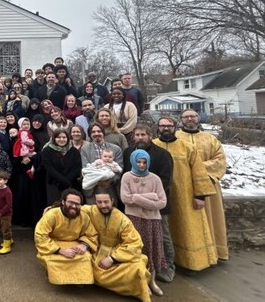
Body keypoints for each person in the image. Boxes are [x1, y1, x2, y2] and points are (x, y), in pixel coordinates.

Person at [154, 116, 217, 273]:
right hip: (160, 194)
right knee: (165, 230)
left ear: (175, 127)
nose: (166, 128)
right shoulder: (153, 145)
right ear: (158, 128)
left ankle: (190, 262)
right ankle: (166, 260)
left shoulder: (187, 147)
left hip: (184, 194)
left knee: (186, 226)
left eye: (169, 125)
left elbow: (198, 172)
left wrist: (200, 195)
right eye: (162, 126)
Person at [176, 109, 229, 261]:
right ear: (181, 120)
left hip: (208, 186)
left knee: (212, 219)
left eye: (192, 116)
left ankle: (214, 253)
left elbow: (219, 161)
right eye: (186, 117)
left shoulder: (210, 139)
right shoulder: (176, 138)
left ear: (198, 118)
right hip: (183, 186)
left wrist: (195, 168)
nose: (189, 119)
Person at [84, 188, 153, 302]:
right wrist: (52, 209)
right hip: (96, 251)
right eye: (99, 202)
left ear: (112, 201)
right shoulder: (91, 211)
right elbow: (74, 207)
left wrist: (112, 258)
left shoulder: (122, 220)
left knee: (138, 268)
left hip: (118, 252)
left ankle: (140, 288)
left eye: (106, 202)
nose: (103, 205)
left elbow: (135, 242)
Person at [120, 150, 166, 297]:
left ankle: (152, 281)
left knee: (152, 249)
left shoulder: (155, 179)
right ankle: (141, 281)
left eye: (144, 162)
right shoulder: (127, 177)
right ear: (134, 161)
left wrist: (137, 198)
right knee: (138, 250)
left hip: (153, 221)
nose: (141, 165)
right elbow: (125, 198)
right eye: (139, 162)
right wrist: (151, 197)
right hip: (134, 219)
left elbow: (162, 202)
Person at [34, 188, 98, 285]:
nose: (73, 206)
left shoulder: (84, 217)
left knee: (86, 257)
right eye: (70, 202)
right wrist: (60, 250)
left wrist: (84, 245)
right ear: (63, 202)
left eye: (77, 204)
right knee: (54, 259)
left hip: (74, 244)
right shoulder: (52, 215)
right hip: (53, 244)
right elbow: (40, 235)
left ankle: (79, 281)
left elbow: (92, 234)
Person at [40, 128, 82, 205]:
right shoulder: (47, 151)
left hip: (71, 184)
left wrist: (67, 181)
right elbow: (49, 168)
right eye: (58, 137)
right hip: (53, 184)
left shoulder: (74, 151)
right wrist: (62, 180)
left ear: (68, 138)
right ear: (54, 138)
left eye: (64, 137)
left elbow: (77, 167)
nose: (61, 139)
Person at [0, 169, 14, 255]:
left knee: (6, 229)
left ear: (6, 180)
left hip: (6, 215)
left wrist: (1, 212)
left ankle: (7, 246)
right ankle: (9, 240)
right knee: (2, 227)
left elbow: (8, 205)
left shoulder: (7, 192)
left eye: (0, 179)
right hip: (0, 213)